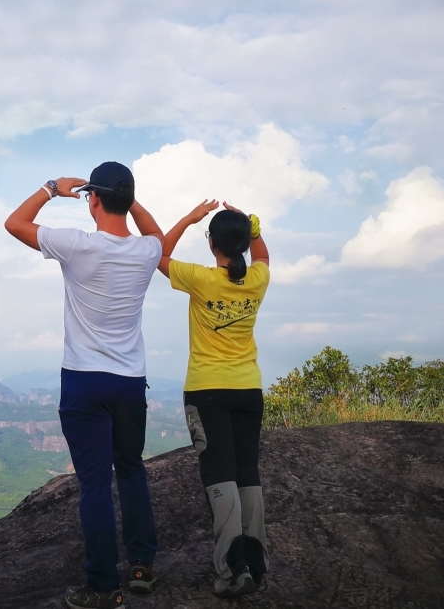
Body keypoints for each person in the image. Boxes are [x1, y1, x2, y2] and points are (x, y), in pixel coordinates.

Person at [4, 162, 164, 609]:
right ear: (127, 201)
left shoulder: (75, 245)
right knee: (131, 469)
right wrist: (128, 200)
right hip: (130, 382)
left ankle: (101, 585)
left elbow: (14, 223)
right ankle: (141, 566)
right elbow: (156, 232)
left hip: (83, 381)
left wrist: (51, 188)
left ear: (92, 198)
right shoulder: (148, 251)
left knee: (94, 483)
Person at [156, 199, 270, 598]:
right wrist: (251, 227)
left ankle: (231, 569)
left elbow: (159, 253)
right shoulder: (256, 279)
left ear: (212, 244)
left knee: (219, 475)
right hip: (248, 388)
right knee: (248, 475)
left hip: (208, 391)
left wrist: (188, 218)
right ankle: (255, 564)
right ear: (240, 243)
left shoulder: (201, 279)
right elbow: (264, 255)